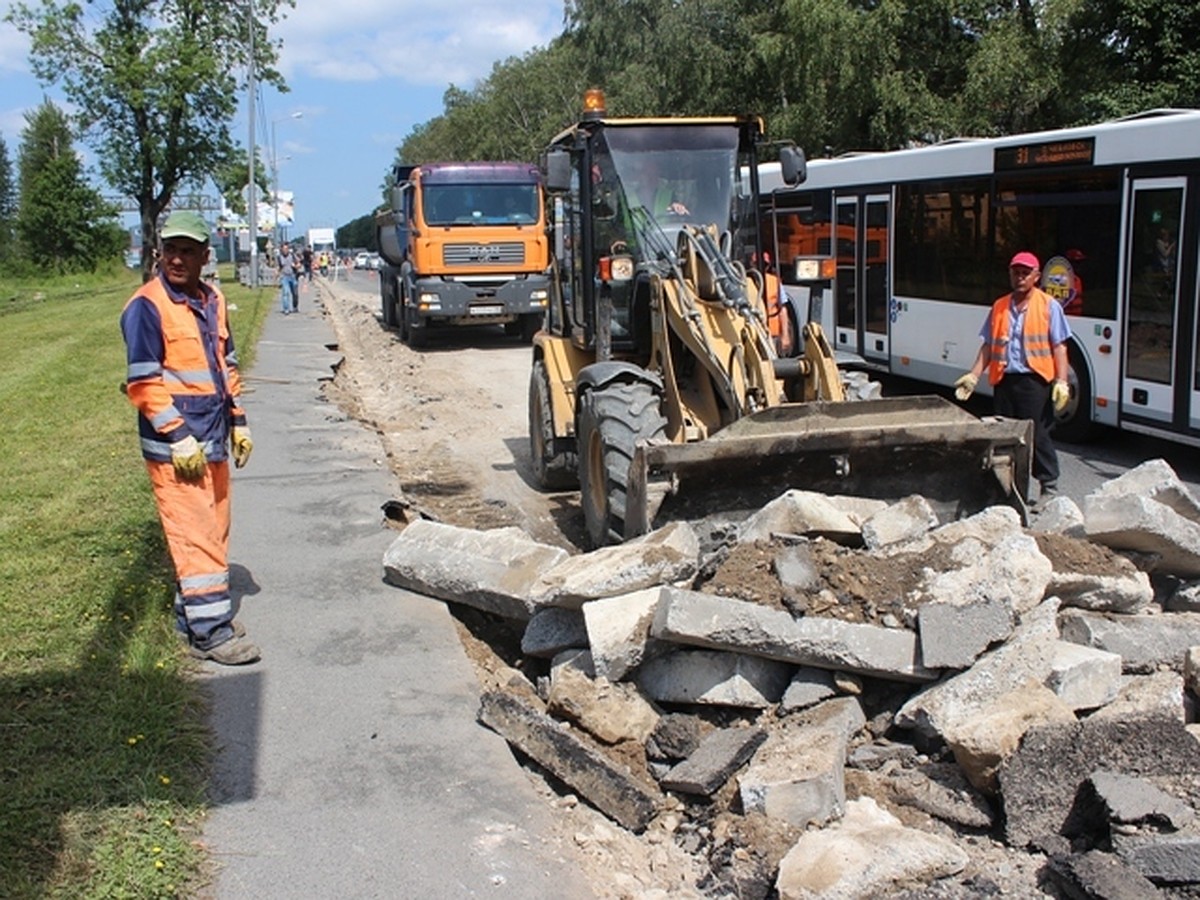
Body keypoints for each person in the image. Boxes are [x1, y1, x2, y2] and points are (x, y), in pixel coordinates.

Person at [120, 211, 261, 665]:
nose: (177, 259)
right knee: (195, 534)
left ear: (205, 255)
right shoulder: (147, 306)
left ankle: (193, 617)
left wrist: (238, 420)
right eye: (170, 250)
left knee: (215, 529)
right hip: (177, 443)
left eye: (187, 251)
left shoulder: (213, 300)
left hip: (214, 434)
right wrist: (178, 436)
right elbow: (143, 382)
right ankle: (212, 634)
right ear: (159, 252)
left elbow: (227, 366)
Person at [954, 251, 1072, 505]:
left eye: (1025, 273)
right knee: (1006, 436)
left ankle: (1048, 486)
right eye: (1016, 272)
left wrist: (1061, 381)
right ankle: (1010, 491)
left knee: (1037, 434)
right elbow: (989, 345)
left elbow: (1059, 347)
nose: (1020, 277)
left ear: (1036, 277)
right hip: (1005, 380)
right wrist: (974, 375)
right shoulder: (999, 306)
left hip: (1034, 381)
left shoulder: (1048, 306)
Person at [278, 242, 300, 314]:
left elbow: (299, 264)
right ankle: (286, 309)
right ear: (281, 249)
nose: (285, 250)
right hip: (285, 277)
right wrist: (277, 273)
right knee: (285, 292)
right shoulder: (279, 257)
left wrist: (296, 266)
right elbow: (279, 267)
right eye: (283, 249)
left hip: (293, 276)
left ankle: (295, 307)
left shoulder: (292, 256)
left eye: (286, 249)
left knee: (295, 294)